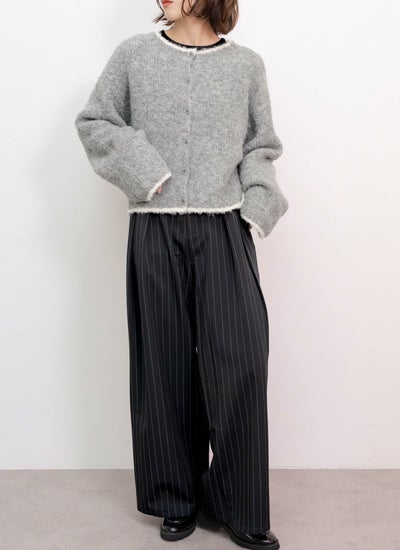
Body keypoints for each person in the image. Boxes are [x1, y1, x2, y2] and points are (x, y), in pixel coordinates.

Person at [74, 1, 288, 548]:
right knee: (164, 365)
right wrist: (147, 172)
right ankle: (176, 498)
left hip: (225, 227)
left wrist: (257, 210)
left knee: (241, 363)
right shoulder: (133, 56)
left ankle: (237, 503)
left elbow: (261, 146)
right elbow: (95, 120)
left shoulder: (246, 65)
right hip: (155, 226)